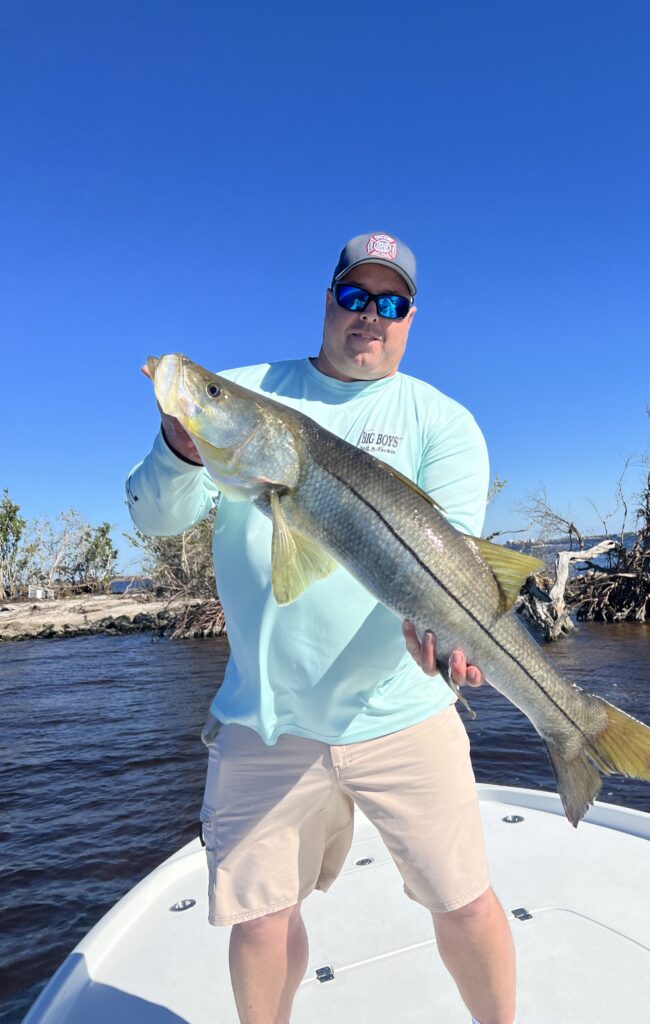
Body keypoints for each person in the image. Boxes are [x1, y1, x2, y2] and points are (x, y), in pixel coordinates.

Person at [126, 232, 516, 1024]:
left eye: (391, 303)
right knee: (260, 921)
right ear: (328, 298)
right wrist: (182, 436)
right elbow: (158, 518)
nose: (370, 315)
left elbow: (453, 573)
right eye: (354, 296)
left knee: (465, 902)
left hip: (405, 712)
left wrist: (449, 639)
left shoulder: (444, 423)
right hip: (265, 719)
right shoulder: (245, 391)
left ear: (410, 317)